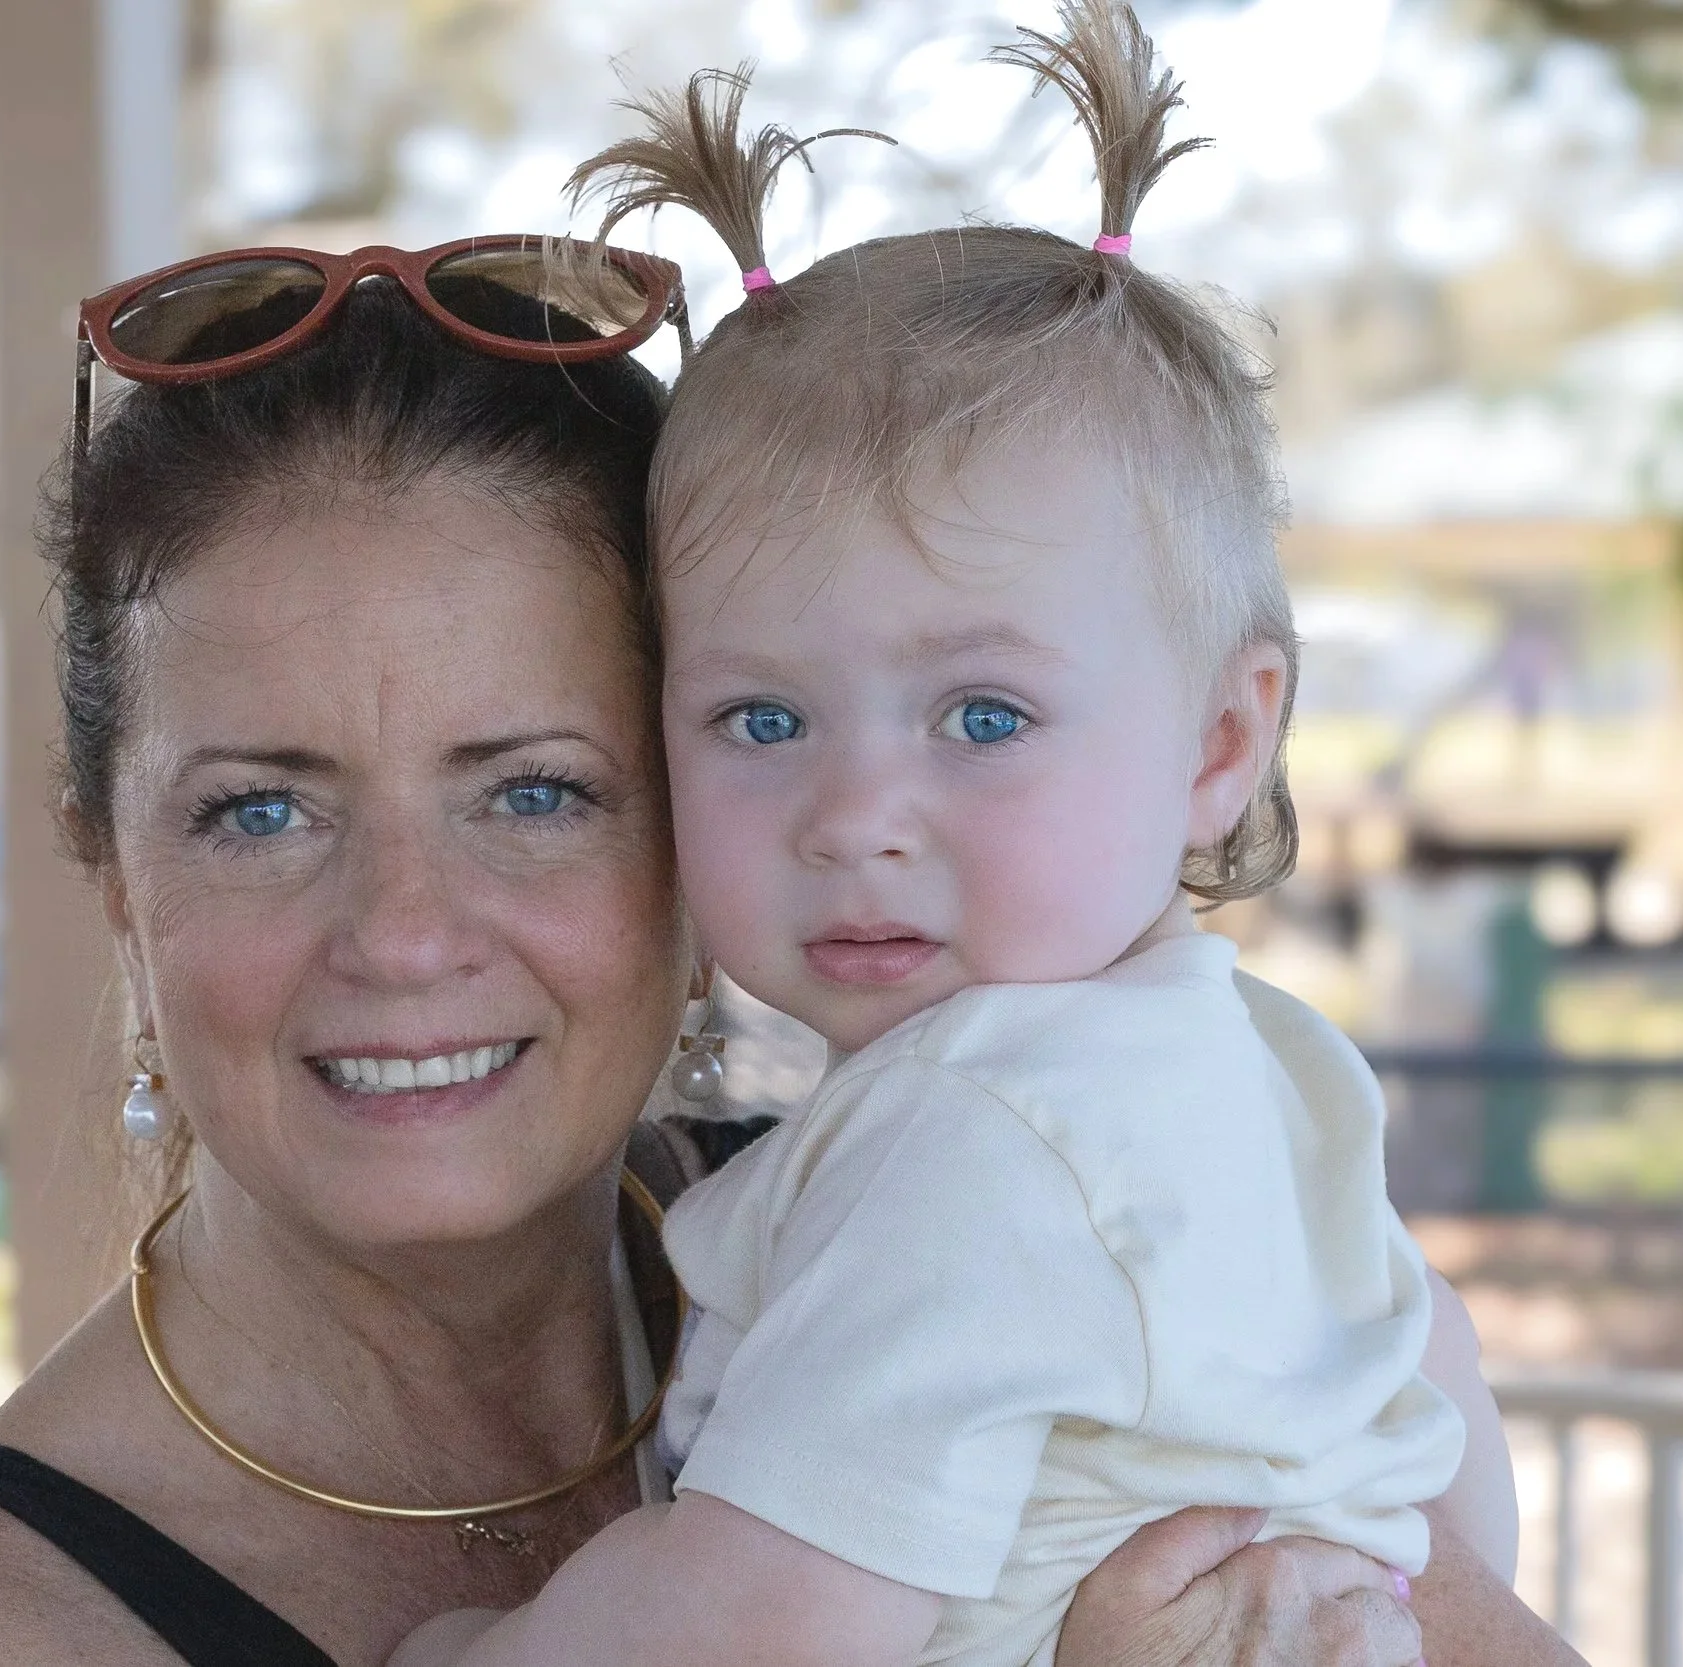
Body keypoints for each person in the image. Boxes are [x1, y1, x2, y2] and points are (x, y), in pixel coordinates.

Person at [0, 204, 1544, 1667]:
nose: (406, 932)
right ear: (109, 861)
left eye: (536, 789)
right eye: (263, 808)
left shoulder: (953, 1211)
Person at [390, 7, 1527, 1667]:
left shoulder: (980, 1135)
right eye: (760, 719)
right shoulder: (1260, 1067)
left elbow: (753, 1620)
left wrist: (465, 1654)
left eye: (982, 718)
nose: (854, 818)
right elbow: (1444, 1415)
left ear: (1223, 739)